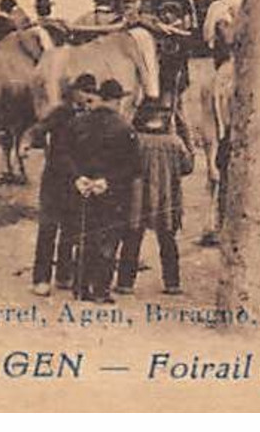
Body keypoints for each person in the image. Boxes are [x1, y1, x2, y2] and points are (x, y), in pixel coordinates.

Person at [65, 79, 140, 303]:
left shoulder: (77, 123)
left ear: (100, 98)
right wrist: (107, 181)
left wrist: (78, 178)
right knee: (108, 240)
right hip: (111, 191)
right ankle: (101, 291)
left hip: (81, 189)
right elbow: (133, 167)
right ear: (117, 100)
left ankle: (80, 288)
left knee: (84, 236)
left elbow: (63, 154)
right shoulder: (125, 128)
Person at [114, 100, 193, 296]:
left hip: (136, 198)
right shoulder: (175, 143)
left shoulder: (134, 140)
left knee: (132, 239)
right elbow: (187, 167)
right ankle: (172, 283)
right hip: (167, 198)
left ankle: (125, 283)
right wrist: (187, 136)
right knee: (167, 240)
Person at [31, 75, 94, 296]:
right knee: (48, 229)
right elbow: (44, 135)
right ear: (74, 92)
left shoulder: (89, 116)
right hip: (55, 179)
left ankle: (64, 275)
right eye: (85, 91)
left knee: (71, 228)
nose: (88, 96)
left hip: (75, 181)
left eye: (91, 93)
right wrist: (30, 143)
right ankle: (41, 279)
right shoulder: (60, 113)